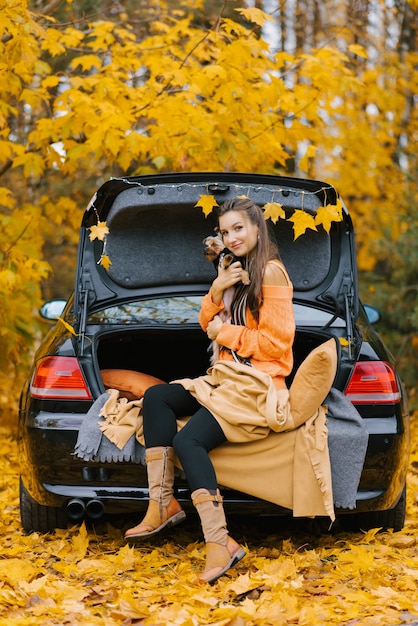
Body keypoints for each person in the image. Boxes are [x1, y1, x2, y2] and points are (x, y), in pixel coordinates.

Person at [124, 197, 296, 584]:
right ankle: (162, 503)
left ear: (256, 229)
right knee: (157, 397)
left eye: (238, 228)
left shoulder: (270, 273)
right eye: (224, 231)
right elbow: (206, 320)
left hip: (256, 385)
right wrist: (217, 289)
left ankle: (221, 543)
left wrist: (225, 332)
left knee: (189, 443)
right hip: (225, 378)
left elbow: (277, 345)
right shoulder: (234, 270)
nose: (231, 237)